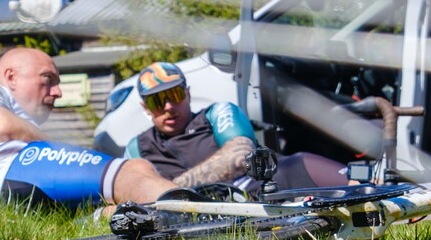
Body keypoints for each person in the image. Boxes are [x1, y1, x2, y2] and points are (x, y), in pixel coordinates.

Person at [0, 47, 180, 207]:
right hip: (4, 175)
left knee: (120, 203)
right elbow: (2, 127)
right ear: (11, 78)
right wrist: (64, 149)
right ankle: (206, 214)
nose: (58, 91)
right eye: (47, 79)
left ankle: (176, 215)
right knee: (129, 171)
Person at [126, 62, 349, 190]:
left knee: (366, 186)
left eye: (174, 95)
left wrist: (170, 190)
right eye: (157, 100)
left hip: (264, 188)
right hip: (205, 218)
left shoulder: (216, 113)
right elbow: (123, 192)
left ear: (188, 94)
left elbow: (241, 155)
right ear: (145, 107)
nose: (168, 106)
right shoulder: (137, 147)